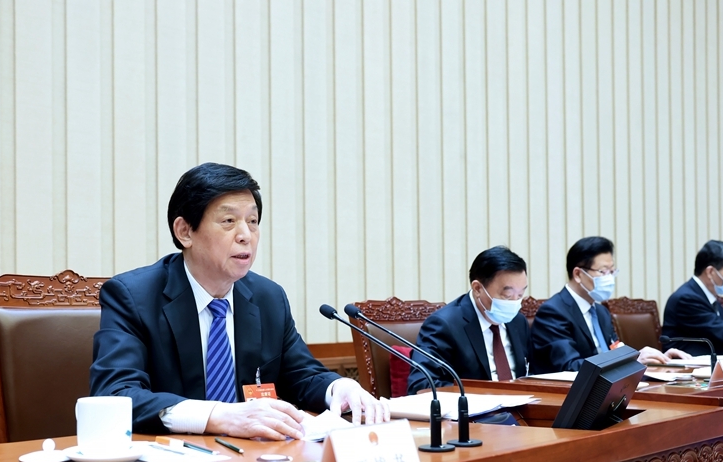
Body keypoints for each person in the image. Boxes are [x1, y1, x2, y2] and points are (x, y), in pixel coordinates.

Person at [90, 162, 389, 439]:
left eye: (253, 221)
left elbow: (302, 375)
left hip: (252, 459)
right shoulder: (133, 296)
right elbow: (115, 393)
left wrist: (339, 387)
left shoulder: (268, 297)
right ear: (185, 231)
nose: (246, 235)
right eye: (229, 221)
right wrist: (218, 416)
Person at [530, 236, 688, 374]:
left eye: (612, 272)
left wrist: (658, 360)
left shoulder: (600, 312)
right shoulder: (553, 312)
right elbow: (570, 366)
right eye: (603, 271)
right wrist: (629, 362)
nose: (609, 278)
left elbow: (616, 351)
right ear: (578, 274)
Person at [407, 246, 530, 395]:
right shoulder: (444, 324)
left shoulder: (518, 321)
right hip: (476, 407)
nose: (515, 303)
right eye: (507, 296)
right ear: (477, 288)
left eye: (520, 295)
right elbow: (422, 384)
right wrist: (483, 396)